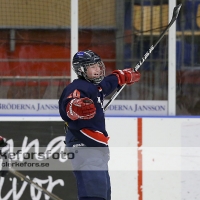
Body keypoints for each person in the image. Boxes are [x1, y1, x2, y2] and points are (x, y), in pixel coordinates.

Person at [59, 50, 141, 200]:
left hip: (94, 149)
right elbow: (69, 105)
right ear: (81, 70)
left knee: (102, 196)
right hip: (84, 146)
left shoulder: (94, 87)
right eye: (92, 66)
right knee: (94, 196)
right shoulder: (78, 87)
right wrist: (77, 107)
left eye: (98, 65)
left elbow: (108, 83)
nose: (97, 69)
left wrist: (122, 76)